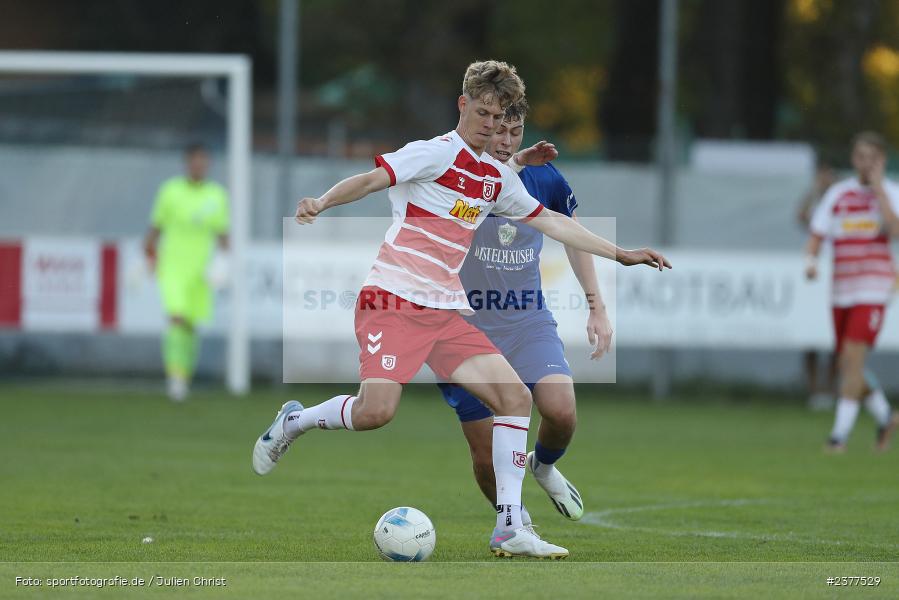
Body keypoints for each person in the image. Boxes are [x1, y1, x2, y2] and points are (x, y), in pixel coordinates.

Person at [252, 60, 670, 559]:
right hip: (391, 301)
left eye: (499, 117)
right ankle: (294, 421)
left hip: (446, 313)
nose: (491, 125)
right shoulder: (432, 153)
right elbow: (370, 180)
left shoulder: (496, 178)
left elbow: (556, 223)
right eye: (484, 112)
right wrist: (321, 202)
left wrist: (621, 254)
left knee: (515, 399)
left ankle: (510, 528)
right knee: (375, 413)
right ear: (463, 105)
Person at [437, 98, 611, 528]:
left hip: (526, 321)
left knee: (562, 411)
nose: (507, 141)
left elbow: (573, 235)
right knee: (485, 453)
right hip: (464, 328)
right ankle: (516, 525)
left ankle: (544, 466)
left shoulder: (543, 177)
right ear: (484, 125)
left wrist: (596, 307)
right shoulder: (457, 174)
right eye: (500, 132)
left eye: (515, 133)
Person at [805, 132, 899, 452]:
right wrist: (811, 261)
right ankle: (886, 416)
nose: (865, 163)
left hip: (874, 288)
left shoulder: (891, 192)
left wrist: (880, 191)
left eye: (872, 157)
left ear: (882, 160)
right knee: (847, 365)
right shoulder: (839, 194)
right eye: (860, 156)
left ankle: (838, 437)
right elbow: (817, 233)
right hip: (841, 289)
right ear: (853, 158)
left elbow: (894, 230)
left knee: (854, 360)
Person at [143, 143, 230, 401]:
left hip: (200, 272)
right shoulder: (170, 191)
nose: (199, 165)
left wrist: (222, 265)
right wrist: (147, 255)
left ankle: (184, 376)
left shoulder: (217, 196)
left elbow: (223, 236)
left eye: (203, 161)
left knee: (191, 326)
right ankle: (175, 378)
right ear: (187, 162)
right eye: (195, 160)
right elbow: (155, 229)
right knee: (176, 317)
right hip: (172, 267)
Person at [797, 158, 838, 411]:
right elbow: (801, 216)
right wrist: (814, 190)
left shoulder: (841, 202)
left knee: (838, 340)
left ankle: (831, 390)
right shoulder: (818, 209)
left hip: (839, 275)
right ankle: (814, 390)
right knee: (810, 338)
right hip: (815, 277)